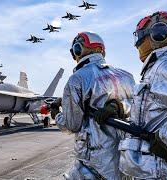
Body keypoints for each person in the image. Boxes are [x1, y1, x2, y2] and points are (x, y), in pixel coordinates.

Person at [96, 11, 167, 179]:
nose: (138, 43)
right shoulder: (158, 65)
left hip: (164, 170)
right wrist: (119, 106)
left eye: (141, 36)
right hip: (154, 170)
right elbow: (150, 107)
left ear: (160, 34)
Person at [54, 32, 135, 179]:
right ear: (102, 51)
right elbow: (136, 109)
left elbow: (71, 125)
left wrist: (57, 115)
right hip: (126, 155)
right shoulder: (127, 76)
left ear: (78, 51)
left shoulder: (77, 79)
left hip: (94, 159)